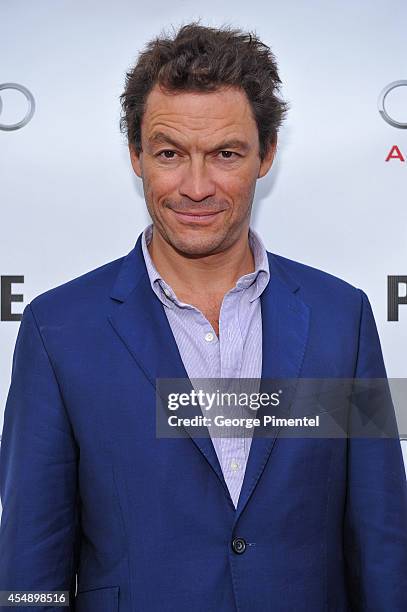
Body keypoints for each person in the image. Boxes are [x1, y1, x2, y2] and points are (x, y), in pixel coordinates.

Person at [0, 21, 406, 612]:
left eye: (225, 154)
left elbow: (383, 546)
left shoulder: (340, 318)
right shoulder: (58, 330)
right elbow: (31, 566)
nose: (196, 186)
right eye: (170, 153)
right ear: (136, 156)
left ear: (265, 155)